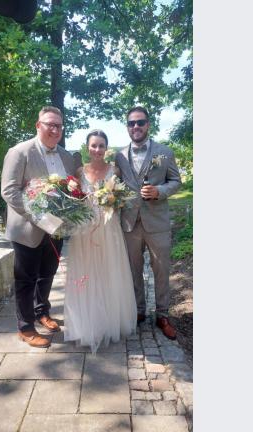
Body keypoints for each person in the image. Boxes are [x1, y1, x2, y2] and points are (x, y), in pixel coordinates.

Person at [0, 106, 81, 348]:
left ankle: (41, 311)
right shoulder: (19, 152)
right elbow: (9, 191)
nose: (55, 129)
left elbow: (72, 191)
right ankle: (25, 327)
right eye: (49, 124)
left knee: (48, 272)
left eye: (58, 125)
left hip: (56, 229)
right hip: (27, 228)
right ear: (38, 125)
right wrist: (40, 217)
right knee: (26, 278)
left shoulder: (67, 157)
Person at [63, 130, 137, 353]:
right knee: (85, 273)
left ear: (106, 148)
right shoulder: (78, 171)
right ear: (87, 147)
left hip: (108, 229)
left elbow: (121, 199)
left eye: (101, 146)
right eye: (93, 145)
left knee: (108, 272)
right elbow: (75, 200)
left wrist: (114, 201)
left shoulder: (115, 170)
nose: (97, 150)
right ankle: (87, 323)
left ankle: (110, 321)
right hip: (84, 230)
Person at [114, 106, 182, 340]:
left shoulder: (164, 152)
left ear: (148, 124)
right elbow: (115, 185)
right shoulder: (119, 155)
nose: (136, 127)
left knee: (161, 270)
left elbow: (176, 181)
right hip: (130, 223)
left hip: (157, 222)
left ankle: (162, 314)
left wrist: (160, 191)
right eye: (131, 123)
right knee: (132, 270)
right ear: (127, 126)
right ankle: (139, 311)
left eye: (140, 122)